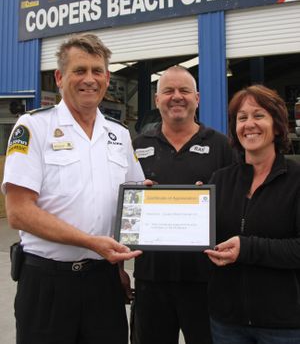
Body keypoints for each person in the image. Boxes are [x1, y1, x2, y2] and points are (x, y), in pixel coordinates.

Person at [1, 33, 145, 344]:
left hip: (104, 282)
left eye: (97, 71)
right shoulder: (33, 127)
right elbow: (19, 212)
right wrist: (91, 242)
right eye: (79, 71)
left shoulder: (119, 135)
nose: (89, 80)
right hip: (46, 284)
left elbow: (132, 202)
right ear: (60, 77)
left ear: (107, 78)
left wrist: (174, 203)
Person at [131, 65, 234, 344]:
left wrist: (210, 204)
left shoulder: (221, 146)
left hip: (206, 281)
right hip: (150, 279)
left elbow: (238, 207)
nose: (176, 97)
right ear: (157, 100)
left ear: (197, 98)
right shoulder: (137, 146)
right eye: (168, 91)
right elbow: (122, 209)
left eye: (184, 91)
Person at [204, 85, 300, 344]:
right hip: (227, 322)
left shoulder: (296, 180)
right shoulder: (220, 180)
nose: (249, 124)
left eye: (259, 115)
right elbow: (203, 238)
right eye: (242, 117)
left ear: (278, 125)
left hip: (284, 325)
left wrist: (246, 248)